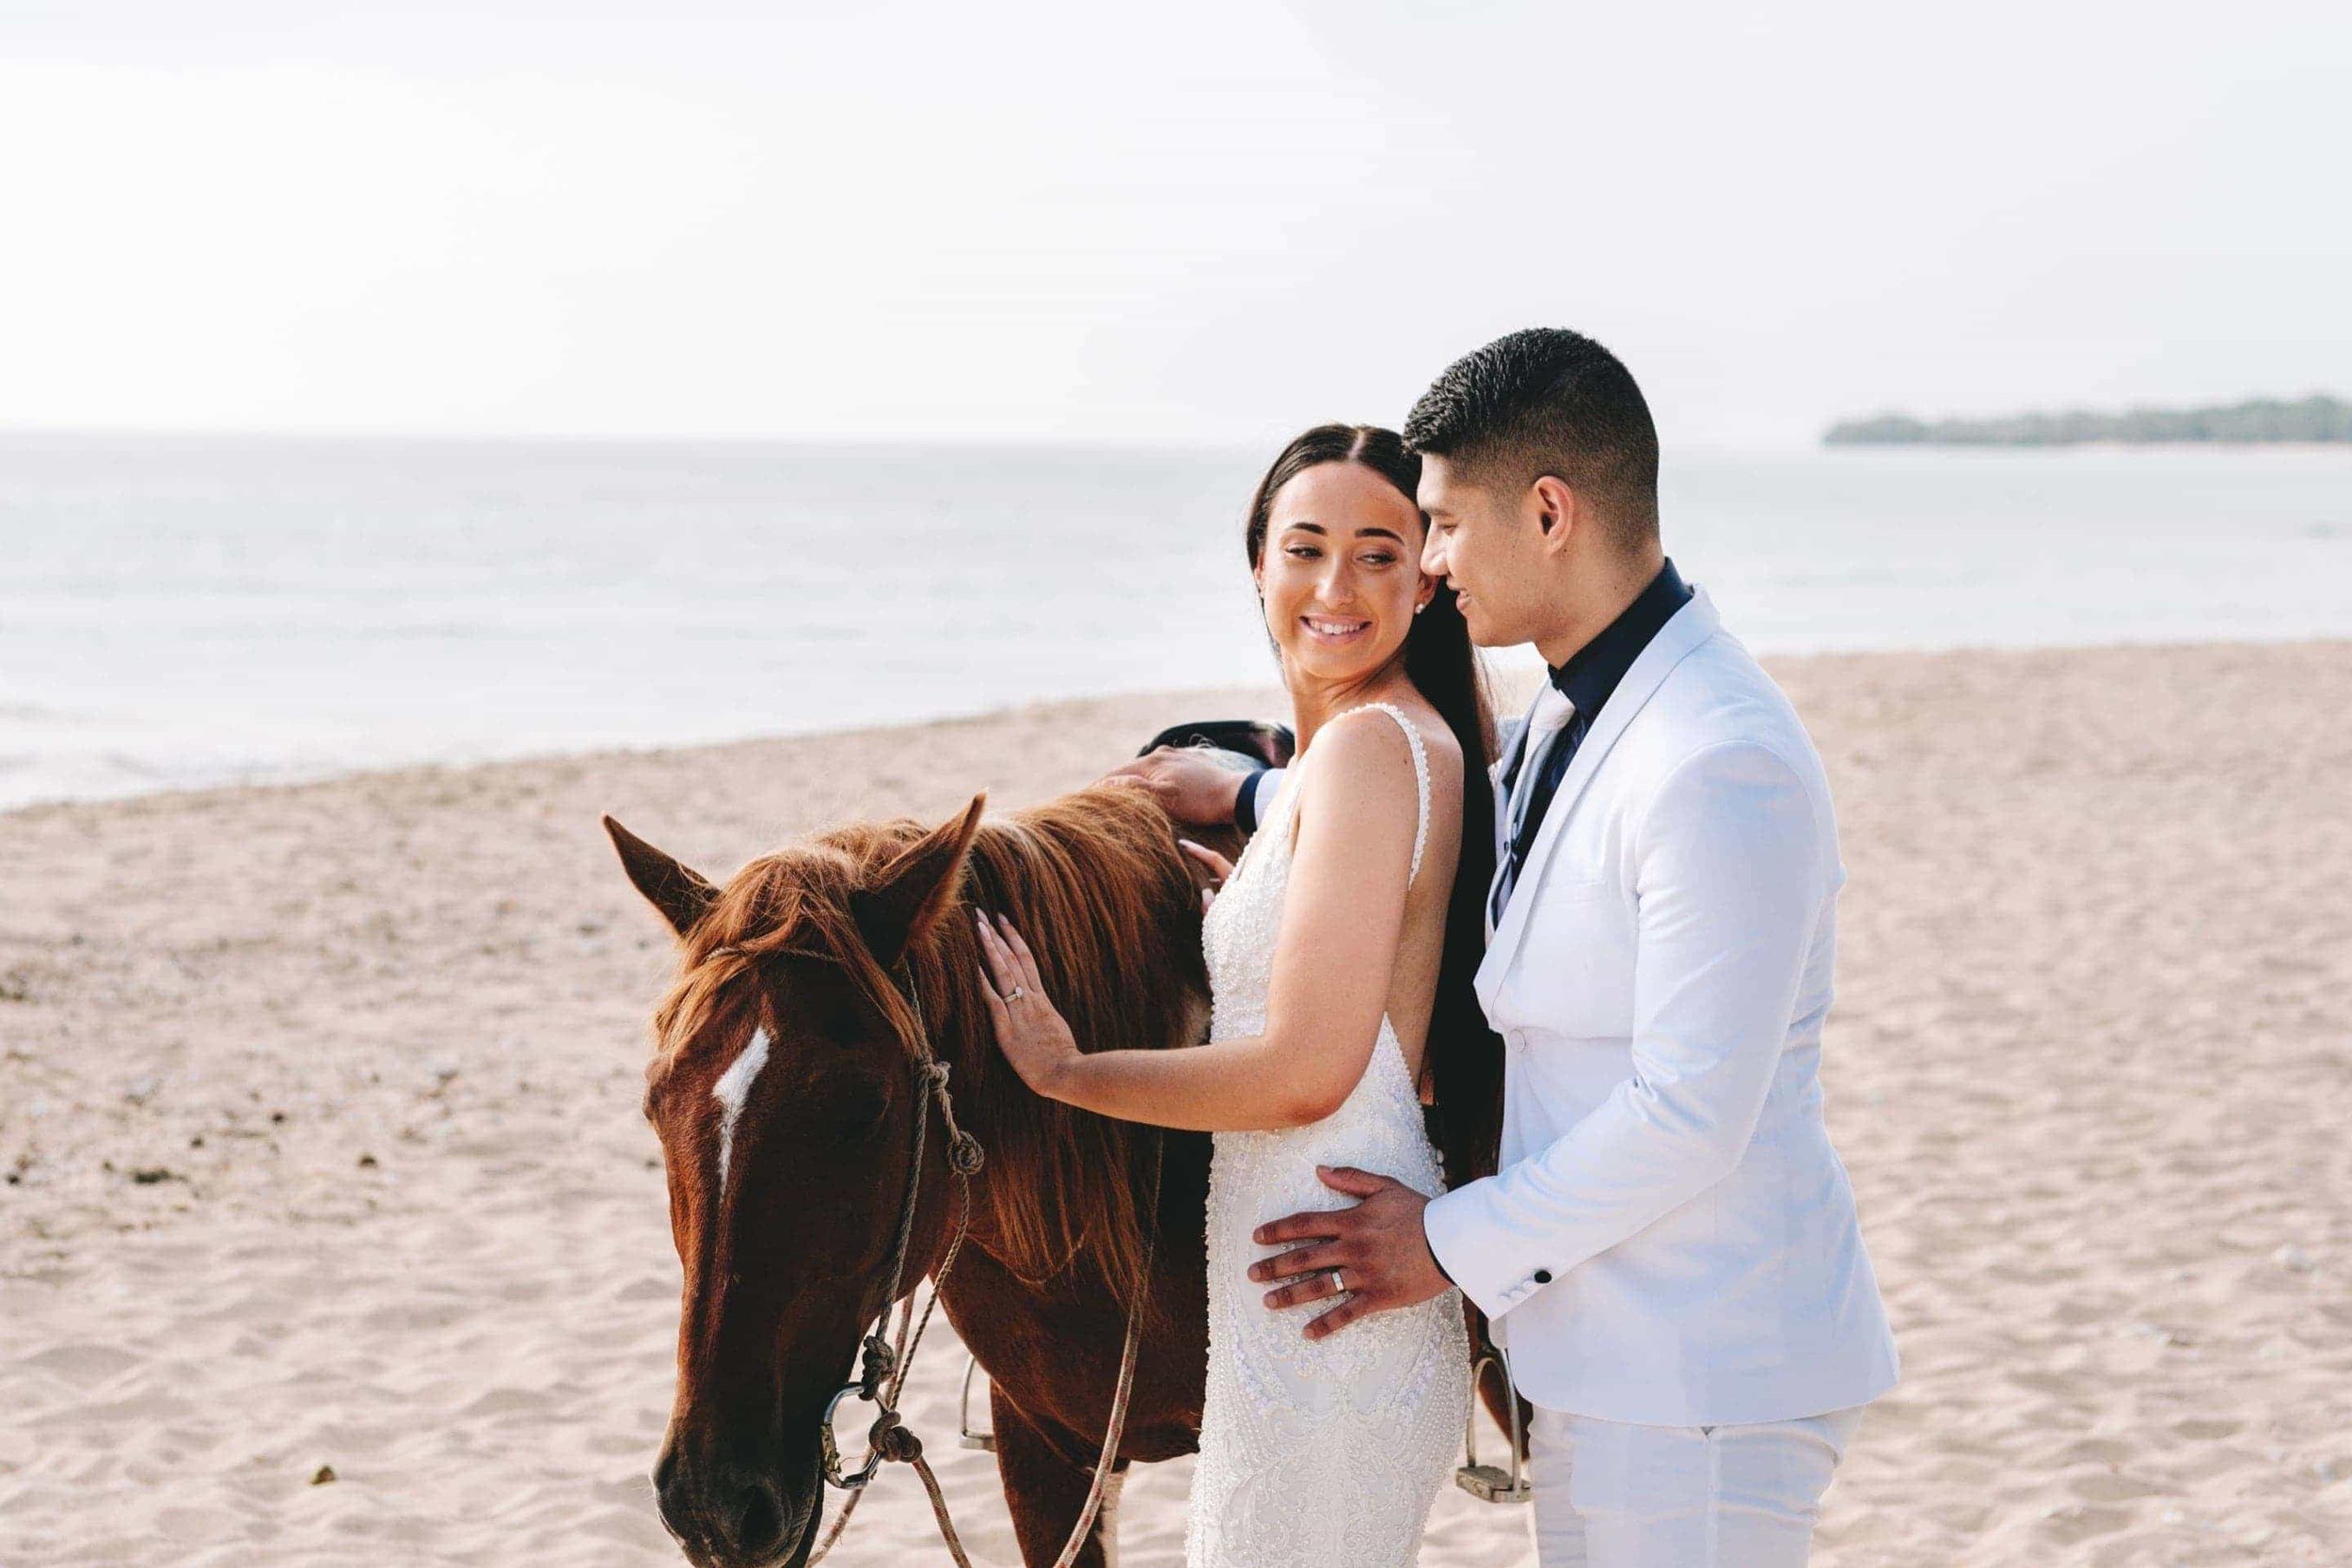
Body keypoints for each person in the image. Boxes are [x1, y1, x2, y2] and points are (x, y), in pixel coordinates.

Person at [1126, 329, 1899, 1568]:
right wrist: (1261, 803)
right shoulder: (1570, 714)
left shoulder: (1714, 757)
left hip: (1702, 1366)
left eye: (1439, 525)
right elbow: (1447, 832)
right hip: (1600, 1351)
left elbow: (1693, 1111)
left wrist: (1440, 1242)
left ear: (1547, 512)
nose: (1428, 561)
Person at [974, 422, 1502, 1568]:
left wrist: (1067, 1072)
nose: (1334, 585)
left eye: (1378, 552)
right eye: (1304, 547)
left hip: (1323, 1290)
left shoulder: (1369, 747)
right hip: (1303, 1289)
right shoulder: (1371, 748)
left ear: (1427, 575)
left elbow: (1307, 1071)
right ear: (1256, 562)